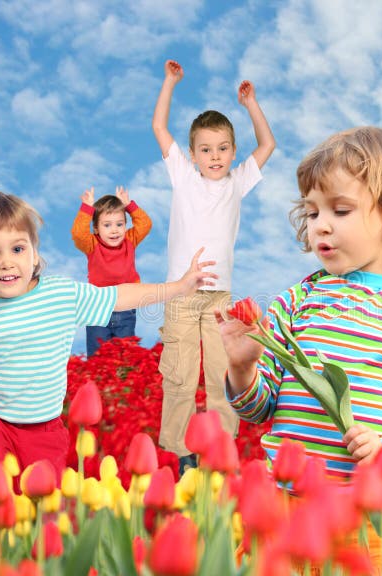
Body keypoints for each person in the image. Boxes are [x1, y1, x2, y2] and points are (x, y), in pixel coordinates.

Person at [217, 127, 382, 576]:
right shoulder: (297, 301)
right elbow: (261, 407)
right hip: (286, 511)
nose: (321, 225)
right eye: (312, 212)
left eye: (340, 210)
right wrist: (243, 366)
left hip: (363, 515)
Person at [0, 191, 216, 474]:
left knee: (44, 511)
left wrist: (179, 287)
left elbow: (121, 296)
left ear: (34, 253)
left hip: (46, 428)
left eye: (17, 249)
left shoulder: (62, 295)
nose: (6, 263)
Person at [152, 59, 275, 473]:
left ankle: (221, 452)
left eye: (223, 148)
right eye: (205, 149)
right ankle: (179, 453)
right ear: (192, 154)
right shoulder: (185, 178)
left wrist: (251, 104)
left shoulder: (237, 183)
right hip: (182, 294)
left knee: (222, 371)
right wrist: (170, 82)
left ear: (233, 152)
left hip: (219, 295)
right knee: (182, 374)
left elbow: (268, 145)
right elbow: (159, 129)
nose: (215, 156)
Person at [71, 185, 152, 357]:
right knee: (98, 356)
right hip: (97, 308)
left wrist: (129, 205)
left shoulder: (130, 239)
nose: (114, 230)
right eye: (107, 225)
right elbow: (78, 234)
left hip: (126, 306)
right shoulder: (92, 244)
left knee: (126, 355)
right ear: (96, 229)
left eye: (119, 224)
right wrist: (87, 208)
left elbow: (145, 224)